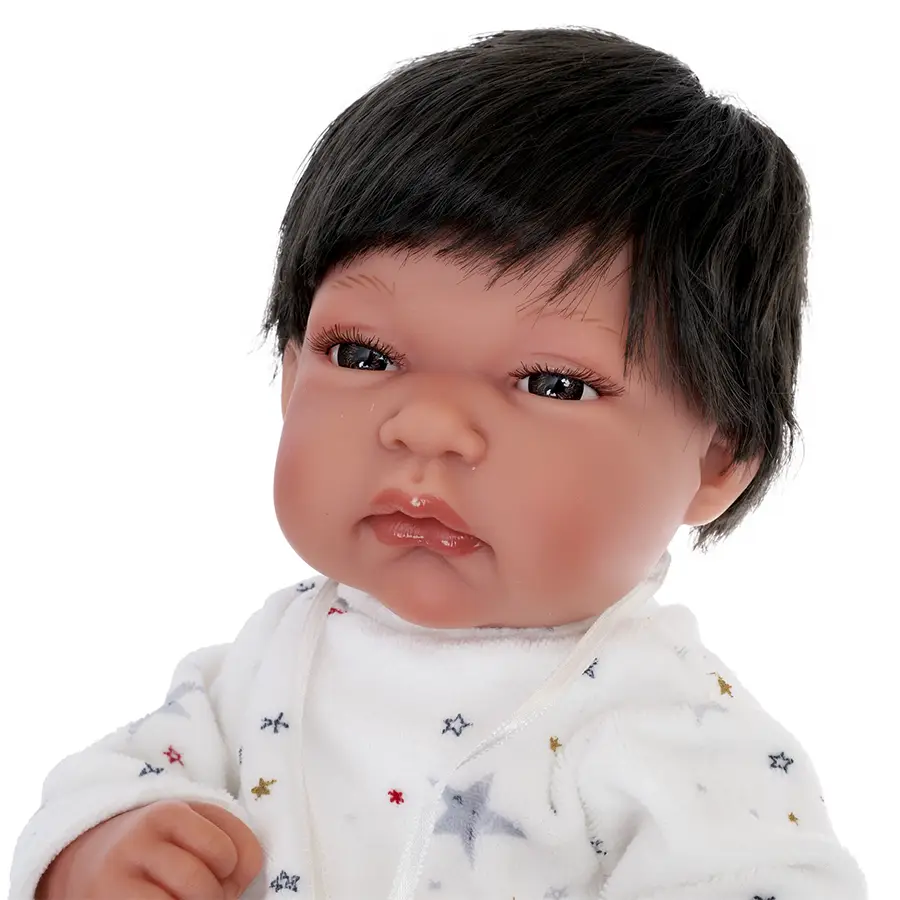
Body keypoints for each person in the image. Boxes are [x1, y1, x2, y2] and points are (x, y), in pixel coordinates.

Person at [10, 25, 867, 900]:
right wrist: (100, 853)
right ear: (289, 376)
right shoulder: (267, 663)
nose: (427, 425)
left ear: (718, 458)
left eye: (553, 383)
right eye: (364, 356)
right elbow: (111, 783)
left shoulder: (678, 738)